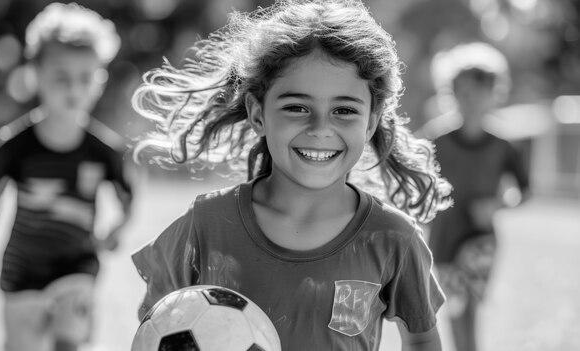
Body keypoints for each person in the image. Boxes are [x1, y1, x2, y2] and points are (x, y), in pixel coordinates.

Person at [131, 1, 452, 350]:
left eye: (344, 110)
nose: (320, 128)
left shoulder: (393, 238)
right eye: (297, 108)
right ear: (258, 114)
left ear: (371, 121)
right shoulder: (205, 225)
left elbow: (422, 340)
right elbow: (157, 326)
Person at [0, 3, 133, 351]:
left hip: (78, 268)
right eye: (61, 77)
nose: (73, 88)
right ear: (35, 74)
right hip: (21, 273)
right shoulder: (13, 147)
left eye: (85, 77)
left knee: (67, 344)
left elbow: (128, 195)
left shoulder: (104, 151)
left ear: (99, 80)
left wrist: (118, 226)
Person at [420, 42, 531, 351]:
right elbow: (415, 180)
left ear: (496, 93)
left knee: (468, 308)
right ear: (451, 93)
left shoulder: (503, 145)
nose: (472, 101)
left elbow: (524, 190)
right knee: (455, 309)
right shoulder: (435, 139)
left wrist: (497, 204)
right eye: (464, 92)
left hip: (482, 240)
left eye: (481, 92)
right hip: (444, 237)